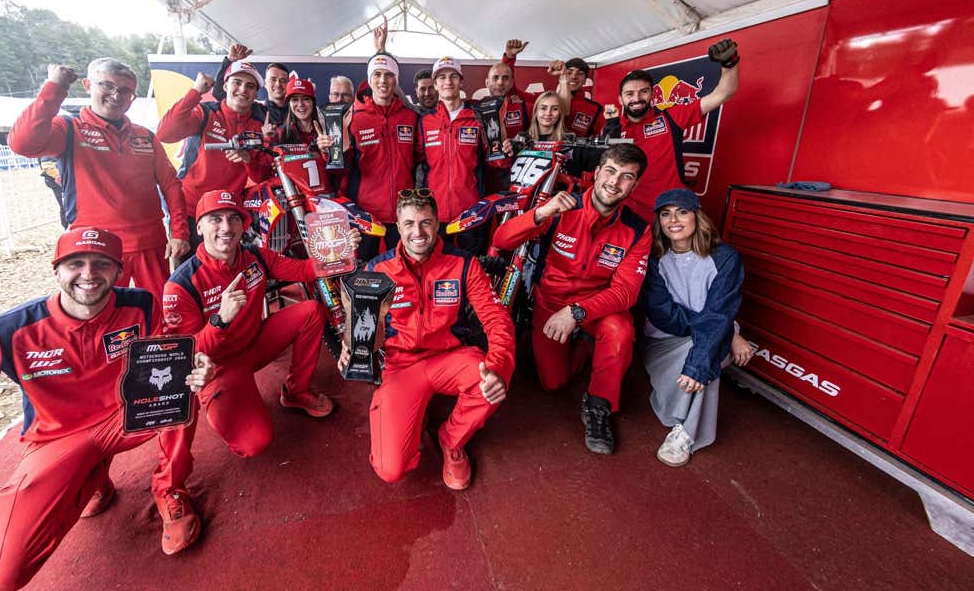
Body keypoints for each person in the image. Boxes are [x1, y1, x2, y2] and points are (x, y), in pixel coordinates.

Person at [0, 228, 216, 591]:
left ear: (118, 270)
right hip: (58, 437)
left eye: (101, 264)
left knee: (180, 392)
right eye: (75, 263)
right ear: (56, 271)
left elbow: (170, 358)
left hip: (124, 419)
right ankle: (91, 478)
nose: (89, 273)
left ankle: (169, 489)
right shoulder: (5, 331)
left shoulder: (141, 303)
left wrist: (199, 366)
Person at [156, 190, 358, 516]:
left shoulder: (256, 257)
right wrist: (221, 320)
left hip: (254, 343)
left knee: (308, 311)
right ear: (200, 228)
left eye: (234, 217)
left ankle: (296, 391)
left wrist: (342, 248)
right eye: (215, 219)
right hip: (220, 368)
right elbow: (187, 357)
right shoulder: (180, 285)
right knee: (255, 443)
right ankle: (170, 484)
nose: (226, 226)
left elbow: (306, 270)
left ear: (242, 224)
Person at [341, 190, 515, 489]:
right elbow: (367, 335)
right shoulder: (377, 270)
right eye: (408, 224)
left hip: (449, 358)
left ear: (437, 224)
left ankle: (451, 440)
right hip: (401, 366)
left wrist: (498, 366)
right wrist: (353, 344)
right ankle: (410, 415)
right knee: (390, 470)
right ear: (397, 224)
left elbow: (496, 318)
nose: (417, 232)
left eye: (425, 223)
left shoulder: (464, 264)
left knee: (490, 381)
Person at [491, 144, 651, 455]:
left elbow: (626, 292)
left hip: (594, 308)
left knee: (620, 330)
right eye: (610, 171)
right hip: (550, 303)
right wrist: (540, 213)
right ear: (597, 172)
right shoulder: (563, 205)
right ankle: (583, 349)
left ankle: (598, 405)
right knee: (553, 383)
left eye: (626, 177)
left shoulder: (637, 229)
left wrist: (576, 313)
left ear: (635, 184)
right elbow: (501, 240)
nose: (615, 183)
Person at [9, 59, 191, 295]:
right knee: (103, 316)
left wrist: (179, 232)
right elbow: (22, 143)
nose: (116, 95)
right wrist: (54, 87)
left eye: (125, 91)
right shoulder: (70, 129)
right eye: (107, 86)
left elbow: (171, 185)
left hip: (150, 243)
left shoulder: (145, 136)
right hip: (95, 247)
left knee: (158, 310)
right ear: (87, 85)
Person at [643, 188, 753, 466]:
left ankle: (686, 434)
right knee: (708, 346)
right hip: (665, 339)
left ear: (697, 216)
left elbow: (719, 312)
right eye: (665, 214)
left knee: (705, 355)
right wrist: (728, 333)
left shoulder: (726, 258)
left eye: (682, 212)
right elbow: (665, 315)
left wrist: (713, 341)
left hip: (709, 336)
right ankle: (685, 400)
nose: (673, 220)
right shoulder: (654, 258)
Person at [602, 38, 740, 220]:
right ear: (620, 99)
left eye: (643, 91)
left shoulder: (670, 117)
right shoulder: (613, 128)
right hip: (629, 218)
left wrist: (729, 64)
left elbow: (723, 94)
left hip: (670, 215)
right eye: (629, 94)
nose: (637, 98)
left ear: (652, 94)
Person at [156, 58, 273, 246]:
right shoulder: (205, 112)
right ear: (225, 85)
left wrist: (247, 159)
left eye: (250, 86)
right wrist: (196, 92)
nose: (243, 90)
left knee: (223, 271)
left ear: (256, 93)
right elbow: (164, 133)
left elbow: (262, 176)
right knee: (190, 270)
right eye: (237, 82)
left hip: (228, 212)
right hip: (191, 209)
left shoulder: (260, 125)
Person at [418, 56, 512, 252]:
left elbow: (497, 163)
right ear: (435, 84)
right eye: (442, 77)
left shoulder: (479, 117)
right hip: (435, 216)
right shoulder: (425, 121)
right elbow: (414, 163)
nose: (448, 82)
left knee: (471, 273)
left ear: (461, 81)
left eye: (453, 76)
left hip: (472, 214)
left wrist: (505, 151)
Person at [345, 51, 422, 260]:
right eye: (377, 74)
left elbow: (421, 159)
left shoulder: (410, 117)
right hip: (366, 215)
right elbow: (342, 165)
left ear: (395, 80)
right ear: (369, 80)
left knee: (403, 275)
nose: (382, 80)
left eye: (388, 75)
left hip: (403, 213)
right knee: (365, 277)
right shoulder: (354, 117)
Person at [494, 39, 540, 139]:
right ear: (487, 82)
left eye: (505, 79)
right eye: (495, 78)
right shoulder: (478, 107)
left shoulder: (521, 101)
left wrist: (509, 58)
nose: (500, 82)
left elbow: (551, 101)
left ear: (511, 82)